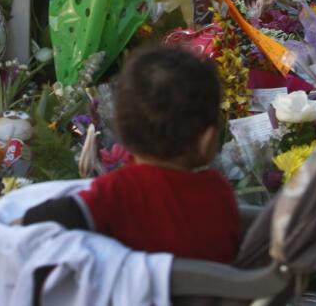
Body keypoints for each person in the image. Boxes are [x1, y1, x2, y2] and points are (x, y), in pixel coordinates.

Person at [21, 47, 239, 264]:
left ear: (122, 133)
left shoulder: (118, 190)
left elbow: (47, 220)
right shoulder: (219, 191)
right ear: (207, 141)